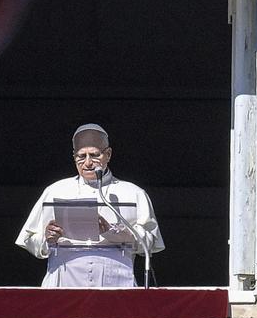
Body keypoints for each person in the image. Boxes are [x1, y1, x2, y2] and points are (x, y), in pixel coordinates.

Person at [15, 123, 164, 287]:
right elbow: (29, 239)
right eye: (81, 156)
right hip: (64, 281)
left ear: (108, 154)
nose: (87, 163)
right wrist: (47, 238)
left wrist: (120, 233)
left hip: (116, 282)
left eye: (94, 155)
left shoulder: (134, 193)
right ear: (74, 156)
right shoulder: (55, 191)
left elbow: (150, 242)